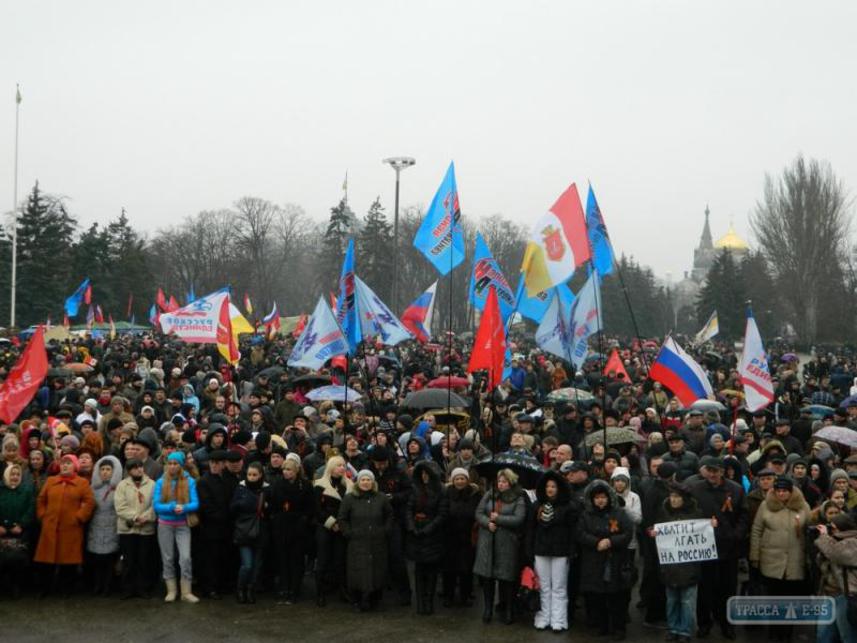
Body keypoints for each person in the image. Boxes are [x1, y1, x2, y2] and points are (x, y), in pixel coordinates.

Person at [687, 456, 747, 639]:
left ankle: (726, 624)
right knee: (705, 588)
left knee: (727, 588)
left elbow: (743, 515)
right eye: (709, 470)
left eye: (716, 471)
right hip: (704, 548)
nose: (712, 474)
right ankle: (704, 623)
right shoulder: (696, 488)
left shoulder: (736, 489)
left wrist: (736, 534)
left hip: (728, 548)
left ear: (723, 471)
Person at [749, 476, 810, 641]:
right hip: (771, 560)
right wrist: (755, 556)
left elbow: (809, 531)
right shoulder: (765, 505)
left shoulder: (803, 506)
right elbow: (756, 530)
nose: (781, 494)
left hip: (795, 562)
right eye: (778, 491)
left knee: (790, 601)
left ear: (791, 492)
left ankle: (787, 634)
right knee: (774, 599)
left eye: (785, 491)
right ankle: (774, 633)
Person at [576, 479, 634, 640]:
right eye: (597, 498)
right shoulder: (586, 515)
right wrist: (596, 542)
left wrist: (610, 541)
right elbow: (580, 533)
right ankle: (603, 626)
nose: (600, 500)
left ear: (609, 498)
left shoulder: (619, 513)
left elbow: (627, 533)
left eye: (603, 497)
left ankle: (619, 627)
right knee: (598, 597)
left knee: (617, 597)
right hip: (594, 561)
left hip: (615, 561)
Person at [652, 482, 707, 643]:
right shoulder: (664, 514)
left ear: (685, 499)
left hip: (690, 568)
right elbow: (656, 533)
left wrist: (711, 527)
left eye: (677, 497)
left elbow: (704, 537)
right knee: (672, 601)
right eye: (671, 496)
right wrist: (653, 533)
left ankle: (685, 631)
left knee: (687, 602)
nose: (673, 500)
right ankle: (673, 628)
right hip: (670, 567)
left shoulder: (696, 515)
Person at [34, 454, 95, 596]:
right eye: (63, 463)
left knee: (68, 560)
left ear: (75, 466)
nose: (65, 465)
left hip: (71, 528)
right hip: (50, 527)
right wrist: (43, 516)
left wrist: (79, 518)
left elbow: (89, 502)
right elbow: (41, 500)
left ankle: (66, 589)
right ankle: (45, 588)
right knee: (46, 560)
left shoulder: (82, 483)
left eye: (68, 463)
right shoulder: (50, 481)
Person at [473, 468, 527, 624]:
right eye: (499, 481)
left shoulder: (518, 497)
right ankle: (487, 609)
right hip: (487, 540)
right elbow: (479, 512)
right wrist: (487, 522)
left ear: (511, 482)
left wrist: (499, 519)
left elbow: (519, 518)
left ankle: (508, 609)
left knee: (506, 578)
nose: (501, 484)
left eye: (504, 481)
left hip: (507, 542)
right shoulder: (490, 494)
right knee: (487, 577)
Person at [337, 469, 393, 612]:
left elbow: (390, 516)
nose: (366, 482)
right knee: (357, 570)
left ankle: (373, 599)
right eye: (363, 479)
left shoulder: (381, 498)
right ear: (358, 482)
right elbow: (342, 518)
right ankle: (357, 600)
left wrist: (385, 530)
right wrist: (348, 533)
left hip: (377, 541)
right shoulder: (349, 498)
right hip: (357, 541)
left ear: (373, 482)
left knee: (376, 570)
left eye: (368, 480)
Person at [528, 468, 576, 632]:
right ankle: (543, 617)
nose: (550, 489)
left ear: (559, 488)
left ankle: (559, 620)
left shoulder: (568, 507)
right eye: (548, 486)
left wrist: (571, 550)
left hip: (561, 551)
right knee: (543, 586)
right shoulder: (537, 506)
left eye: (553, 486)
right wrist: (530, 549)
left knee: (559, 587)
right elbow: (531, 530)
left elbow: (572, 531)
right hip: (540, 550)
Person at [153, 450, 200, 603]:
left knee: (185, 557)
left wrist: (185, 508)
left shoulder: (189, 481)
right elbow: (156, 505)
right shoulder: (161, 481)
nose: (172, 466)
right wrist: (171, 507)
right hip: (165, 524)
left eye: (175, 464)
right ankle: (171, 590)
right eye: (170, 463)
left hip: (182, 524)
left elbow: (196, 503)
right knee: (168, 557)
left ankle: (186, 591)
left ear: (181, 465)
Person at [268, 457, 314, 603]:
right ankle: (283, 588)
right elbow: (273, 504)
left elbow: (309, 506)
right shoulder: (277, 485)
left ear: (296, 471)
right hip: (281, 525)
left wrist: (304, 520)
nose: (286, 472)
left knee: (296, 559)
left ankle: (294, 588)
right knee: (282, 559)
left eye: (289, 470)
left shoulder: (305, 485)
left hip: (298, 527)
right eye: (284, 470)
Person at [405, 460, 448, 615]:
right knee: (418, 570)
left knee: (431, 570)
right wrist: (412, 526)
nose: (424, 477)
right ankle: (420, 603)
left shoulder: (440, 491)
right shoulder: (415, 490)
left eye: (427, 474)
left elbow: (442, 514)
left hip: (432, 535)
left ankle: (429, 601)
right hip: (416, 534)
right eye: (422, 474)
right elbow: (409, 509)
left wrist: (428, 528)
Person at [113, 457, 156, 599]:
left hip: (146, 529)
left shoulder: (152, 484)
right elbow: (120, 507)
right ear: (129, 470)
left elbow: (154, 505)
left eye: (140, 466)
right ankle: (127, 588)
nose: (139, 469)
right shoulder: (122, 485)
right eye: (135, 467)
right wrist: (135, 517)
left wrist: (146, 517)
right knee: (129, 560)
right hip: (128, 529)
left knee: (144, 560)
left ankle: (143, 588)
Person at [313, 455, 352, 606]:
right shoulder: (319, 485)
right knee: (322, 560)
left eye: (343, 465)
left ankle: (343, 591)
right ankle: (320, 593)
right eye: (338, 465)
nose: (342, 468)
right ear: (331, 467)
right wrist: (331, 522)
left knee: (340, 560)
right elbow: (316, 508)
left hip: (341, 527)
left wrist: (341, 524)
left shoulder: (349, 485)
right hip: (325, 527)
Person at [230, 461, 270, 604]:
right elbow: (232, 508)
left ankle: (250, 590)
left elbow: (271, 510)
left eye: (255, 475)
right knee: (247, 565)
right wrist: (244, 503)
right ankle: (240, 589)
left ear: (260, 476)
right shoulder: (241, 489)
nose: (251, 477)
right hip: (244, 531)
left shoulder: (267, 490)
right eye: (249, 474)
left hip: (260, 531)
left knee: (257, 565)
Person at [814, 513, 857, 643]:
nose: (831, 530)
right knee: (823, 635)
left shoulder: (853, 542)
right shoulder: (834, 540)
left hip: (845, 596)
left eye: (833, 528)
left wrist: (824, 536)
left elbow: (836, 554)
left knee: (847, 636)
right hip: (829, 593)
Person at [196, 449, 232, 599]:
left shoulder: (227, 478)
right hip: (211, 527)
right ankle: (210, 588)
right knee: (211, 559)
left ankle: (221, 585)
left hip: (225, 527)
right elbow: (206, 506)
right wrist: (223, 516)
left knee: (223, 557)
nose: (214, 465)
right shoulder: (204, 481)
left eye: (217, 463)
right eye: (212, 462)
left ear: (223, 464)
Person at [86, 455, 123, 595]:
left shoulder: (119, 488)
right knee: (96, 559)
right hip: (95, 526)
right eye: (102, 469)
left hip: (112, 526)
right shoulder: (92, 488)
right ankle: (97, 585)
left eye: (108, 469)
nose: (105, 472)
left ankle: (107, 586)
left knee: (109, 559)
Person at [0, 463, 35, 598]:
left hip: (19, 531)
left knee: (17, 561)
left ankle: (16, 586)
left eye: (17, 474)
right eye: (12, 474)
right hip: (1, 531)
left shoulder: (26, 490)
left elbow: (31, 509)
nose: (15, 477)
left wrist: (21, 525)